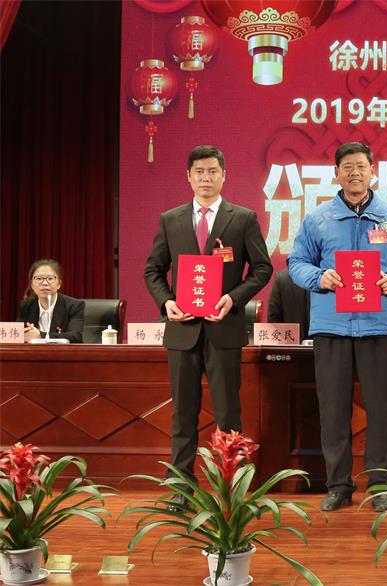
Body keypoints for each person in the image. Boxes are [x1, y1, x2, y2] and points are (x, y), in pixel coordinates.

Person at [288, 142, 387, 512]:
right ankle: (338, 485)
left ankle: (382, 485)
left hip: (377, 325)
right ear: (336, 174)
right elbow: (296, 262)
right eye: (347, 167)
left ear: (372, 171)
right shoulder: (318, 218)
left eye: (361, 166)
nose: (354, 173)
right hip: (331, 325)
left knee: (383, 410)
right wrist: (319, 277)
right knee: (333, 410)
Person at [144, 145, 272, 505]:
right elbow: (153, 270)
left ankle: (232, 487)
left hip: (223, 328)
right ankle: (181, 487)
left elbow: (262, 268)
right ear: (188, 176)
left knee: (228, 412)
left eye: (213, 171)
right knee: (183, 413)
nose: (206, 178)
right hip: (182, 331)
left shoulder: (242, 218)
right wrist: (166, 302)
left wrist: (233, 298)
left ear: (224, 175)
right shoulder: (171, 219)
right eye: (199, 172)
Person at [18, 259, 84, 343]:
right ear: (32, 285)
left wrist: (40, 335)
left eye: (50, 278)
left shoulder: (74, 306)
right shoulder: (26, 306)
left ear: (59, 284)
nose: (44, 283)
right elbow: (19, 335)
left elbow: (75, 337)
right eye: (39, 278)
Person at [267, 268, 311, 340]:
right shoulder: (330, 277)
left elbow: (273, 318)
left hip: (290, 343)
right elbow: (273, 318)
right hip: (325, 343)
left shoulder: (282, 277)